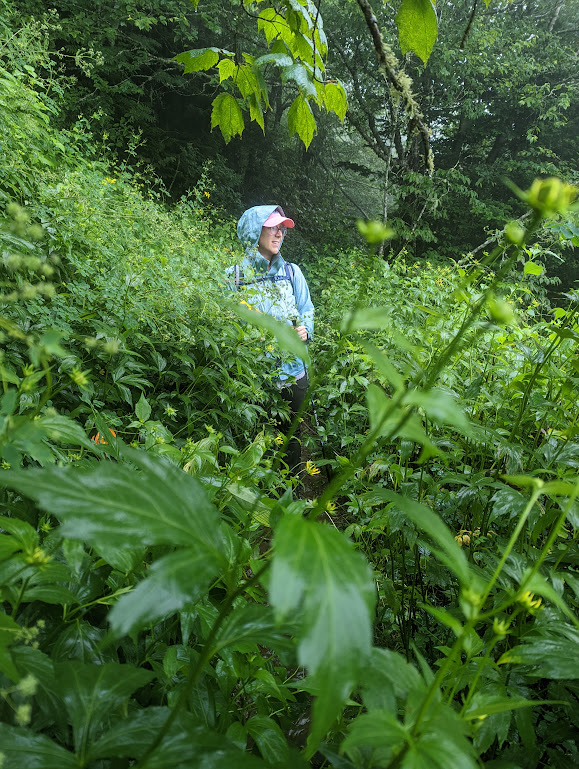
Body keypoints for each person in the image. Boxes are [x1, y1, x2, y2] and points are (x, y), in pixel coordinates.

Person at [228, 204, 314, 475]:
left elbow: (306, 309)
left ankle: (290, 493)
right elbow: (226, 323)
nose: (279, 233)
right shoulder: (235, 277)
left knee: (290, 438)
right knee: (253, 439)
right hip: (252, 378)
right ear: (254, 231)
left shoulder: (292, 272)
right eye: (273, 227)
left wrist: (305, 330)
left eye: (281, 229)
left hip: (292, 374)